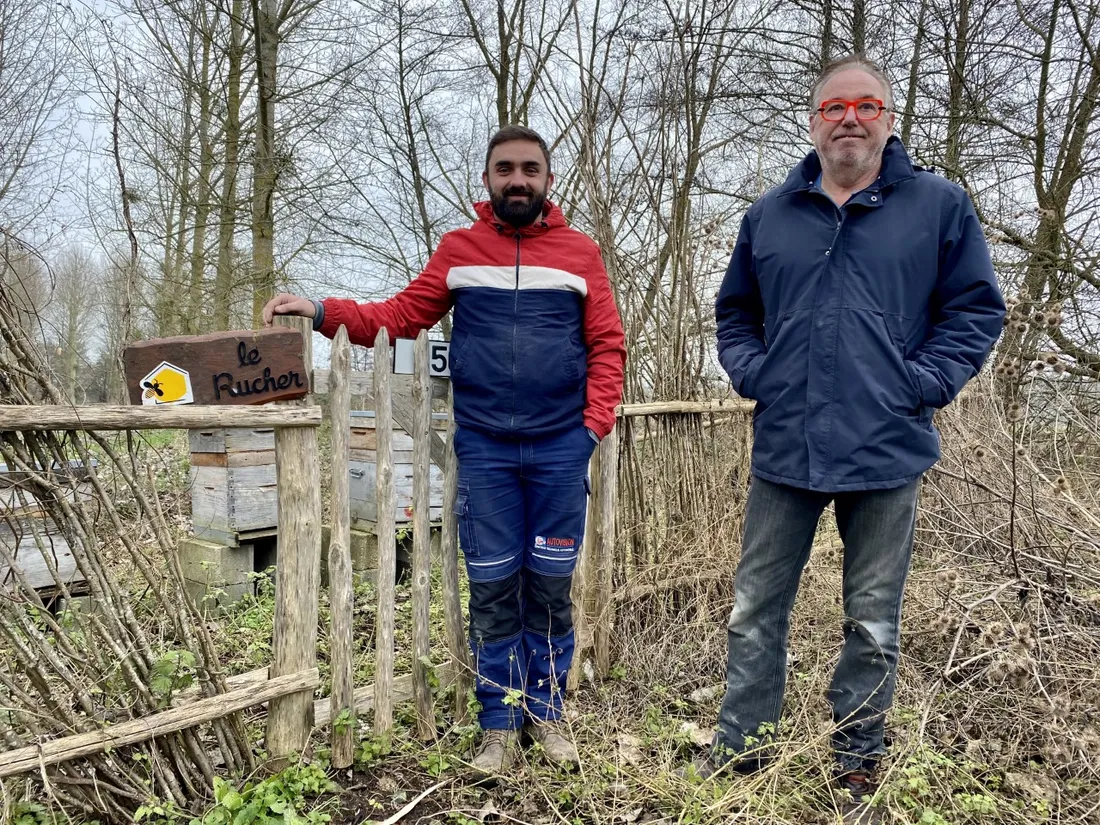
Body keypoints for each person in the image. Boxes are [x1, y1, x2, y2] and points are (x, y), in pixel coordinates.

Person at [688, 54, 1006, 822]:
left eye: (866, 105)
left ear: (889, 118)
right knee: (755, 607)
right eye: (835, 107)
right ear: (814, 120)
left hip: (886, 447)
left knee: (873, 617)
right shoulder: (770, 215)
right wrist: (756, 373)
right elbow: (735, 313)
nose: (850, 119)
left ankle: (857, 756)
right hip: (786, 447)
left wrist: (922, 382)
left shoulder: (938, 206)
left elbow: (976, 311)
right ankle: (743, 745)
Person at [263, 125, 626, 774]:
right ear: (487, 179)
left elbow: (608, 347)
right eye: (505, 168)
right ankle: (497, 726)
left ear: (548, 178)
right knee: (490, 589)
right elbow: (397, 316)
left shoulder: (579, 254)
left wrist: (589, 431)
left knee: (547, 590)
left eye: (530, 169)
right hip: (485, 454)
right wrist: (320, 309)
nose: (518, 179)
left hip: (558, 455)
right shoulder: (460, 250)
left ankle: (544, 715)